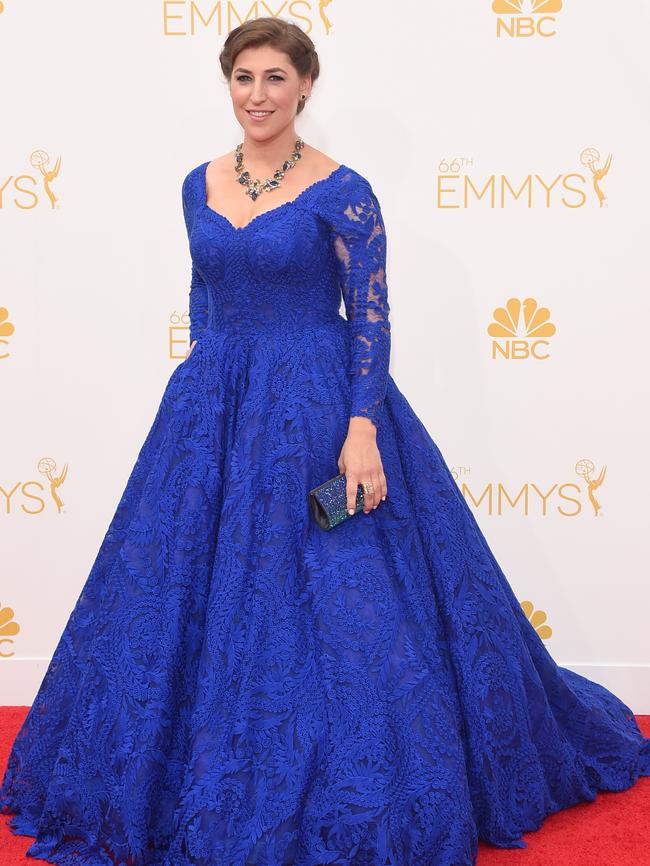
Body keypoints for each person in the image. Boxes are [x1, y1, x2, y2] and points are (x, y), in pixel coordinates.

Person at [2, 15, 649, 866]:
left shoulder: (346, 189)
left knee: (345, 592)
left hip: (317, 406)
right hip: (213, 409)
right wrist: (200, 392)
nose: (257, 95)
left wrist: (361, 428)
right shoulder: (197, 183)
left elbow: (370, 321)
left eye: (275, 78)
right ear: (226, 84)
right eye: (243, 78)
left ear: (306, 86)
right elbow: (203, 298)